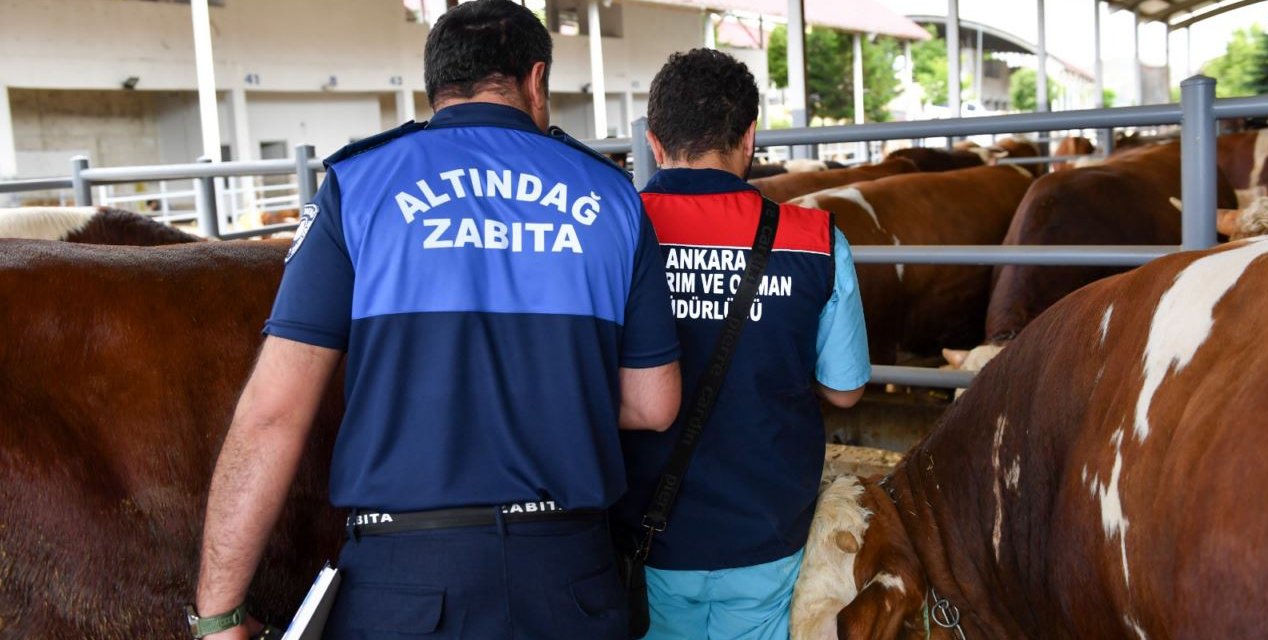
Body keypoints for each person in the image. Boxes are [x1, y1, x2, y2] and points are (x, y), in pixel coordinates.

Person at [190, 2, 682, 638]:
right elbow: (652, 404)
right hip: (569, 578)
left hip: (404, 581)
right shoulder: (612, 195)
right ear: (537, 81)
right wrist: (544, 390)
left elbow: (273, 413)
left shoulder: (357, 184)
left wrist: (218, 615)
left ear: (436, 85)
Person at [614, 49, 871, 640]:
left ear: (654, 142)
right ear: (750, 135)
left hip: (643, 534)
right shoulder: (816, 239)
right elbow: (847, 390)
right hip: (767, 535)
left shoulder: (616, 230)